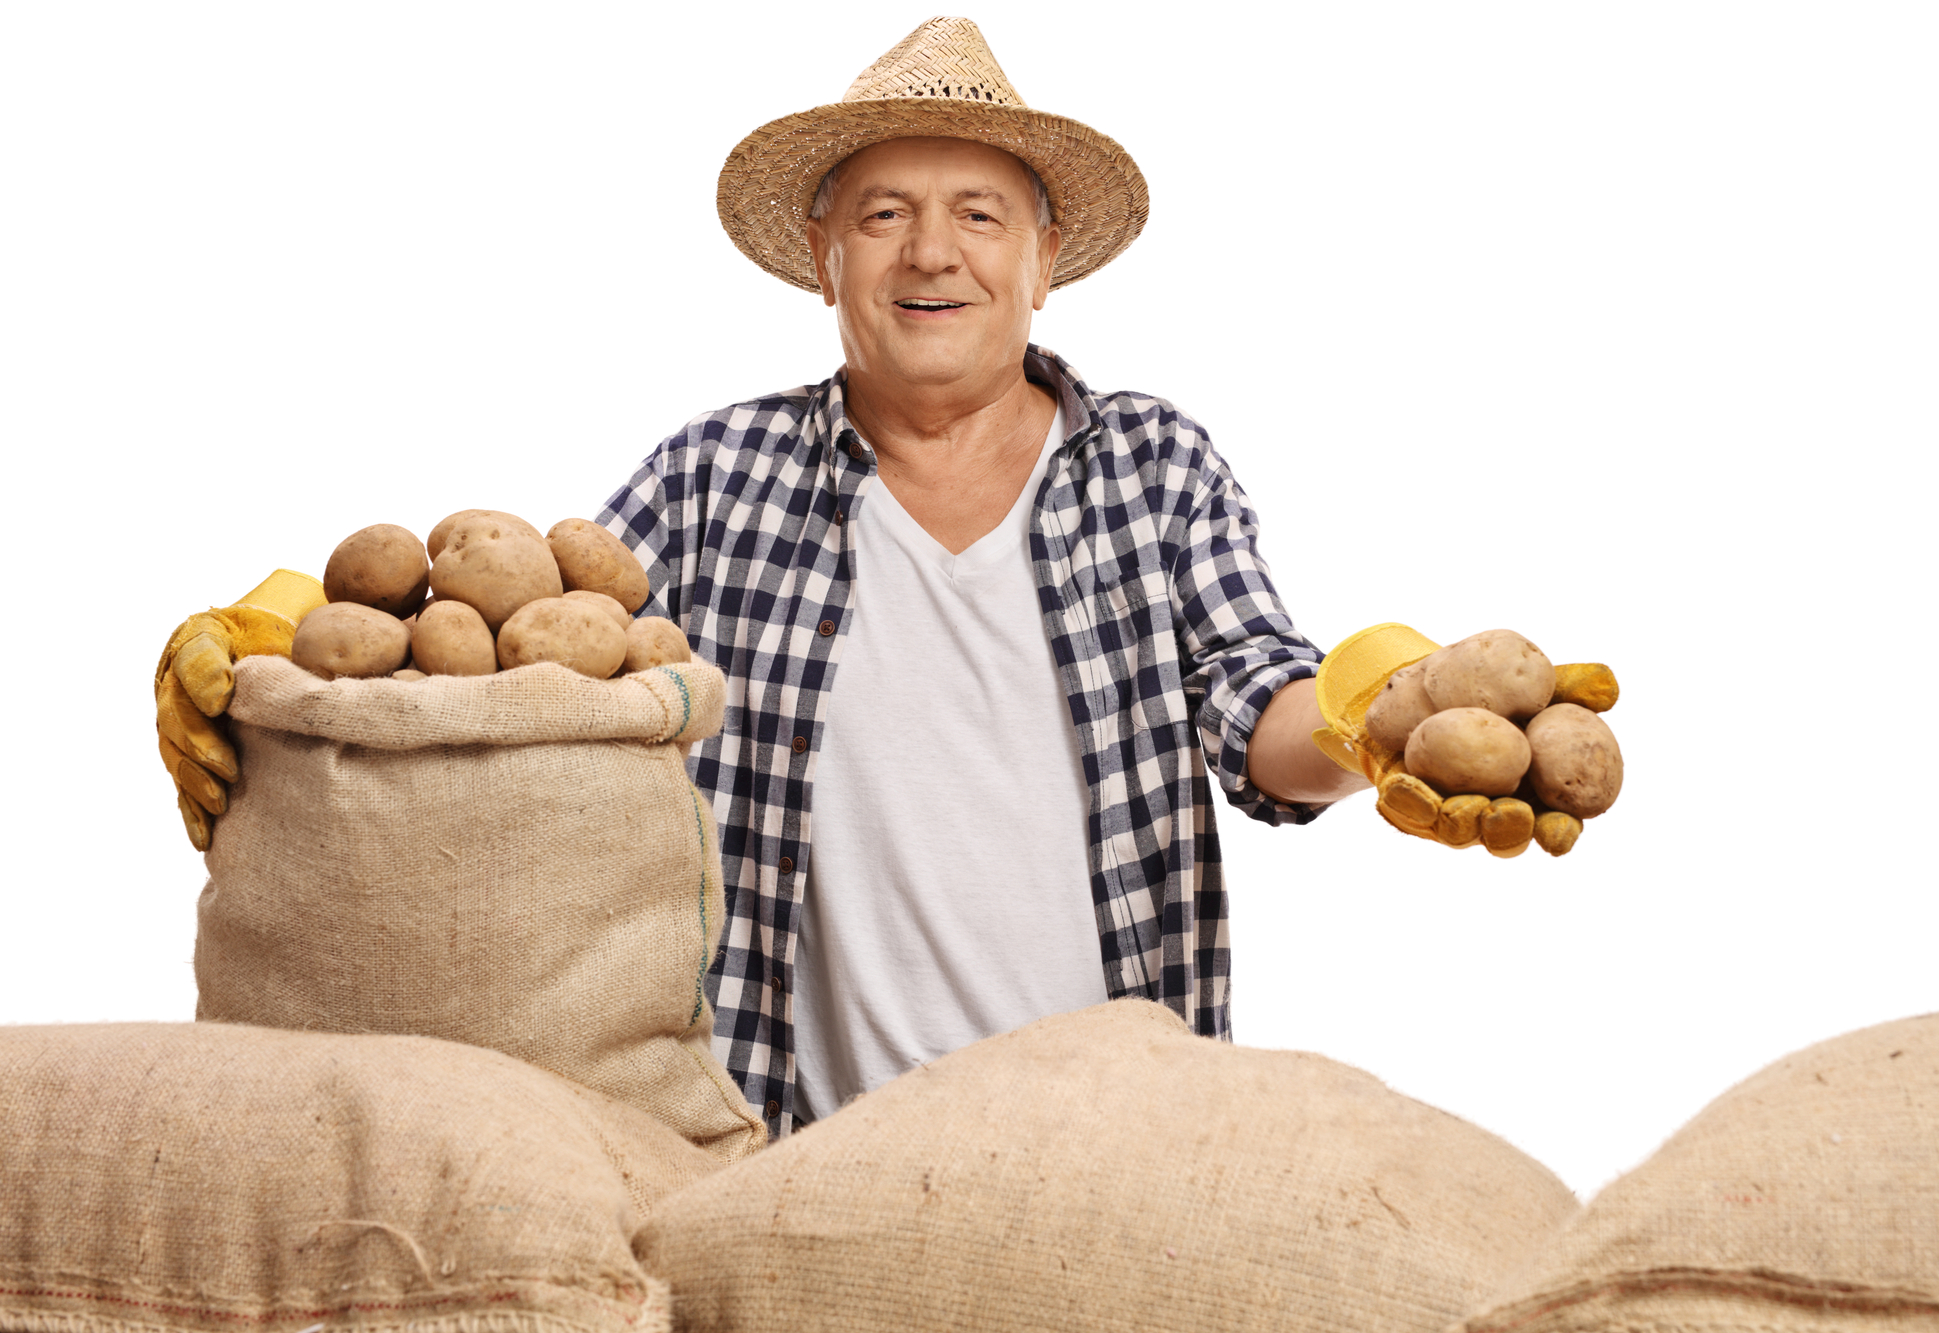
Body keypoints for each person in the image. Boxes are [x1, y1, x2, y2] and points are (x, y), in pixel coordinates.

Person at [153, 18, 1565, 1139]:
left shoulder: (1156, 465)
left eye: (978, 214)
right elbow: (529, 655)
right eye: (885, 214)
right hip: (797, 1142)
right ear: (824, 254)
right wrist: (290, 627)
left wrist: (1383, 715)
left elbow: (1257, 710)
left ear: (1045, 258)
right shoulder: (717, 476)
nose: (931, 252)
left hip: (1114, 1131)